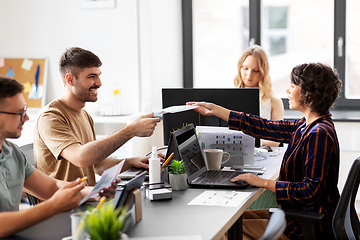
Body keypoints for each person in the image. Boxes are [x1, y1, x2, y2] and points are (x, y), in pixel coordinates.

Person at [188, 62, 342, 240]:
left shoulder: (319, 134)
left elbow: (310, 191)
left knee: (223, 232)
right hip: (295, 216)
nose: (287, 91)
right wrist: (217, 111)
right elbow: (265, 126)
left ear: (309, 94)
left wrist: (261, 182)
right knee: (228, 221)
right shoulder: (306, 125)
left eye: (292, 86)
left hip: (305, 227)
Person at [0, 76, 117, 237]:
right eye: (19, 113)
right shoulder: (51, 116)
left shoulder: (12, 152)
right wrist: (53, 206)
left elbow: (51, 187)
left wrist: (94, 192)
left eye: (25, 110)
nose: (26, 118)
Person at [34, 47, 162, 186]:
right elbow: (81, 158)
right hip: (65, 206)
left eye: (98, 75)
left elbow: (96, 165)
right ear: (70, 79)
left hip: (88, 199)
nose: (99, 83)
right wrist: (130, 130)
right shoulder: (51, 117)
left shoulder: (84, 115)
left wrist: (131, 162)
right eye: (91, 76)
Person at [234, 45, 284, 147]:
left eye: (255, 70)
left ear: (262, 72)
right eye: (245, 68)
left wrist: (251, 142)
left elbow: (276, 141)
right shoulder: (231, 97)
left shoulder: (274, 102)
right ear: (240, 67)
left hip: (263, 156)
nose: (248, 75)